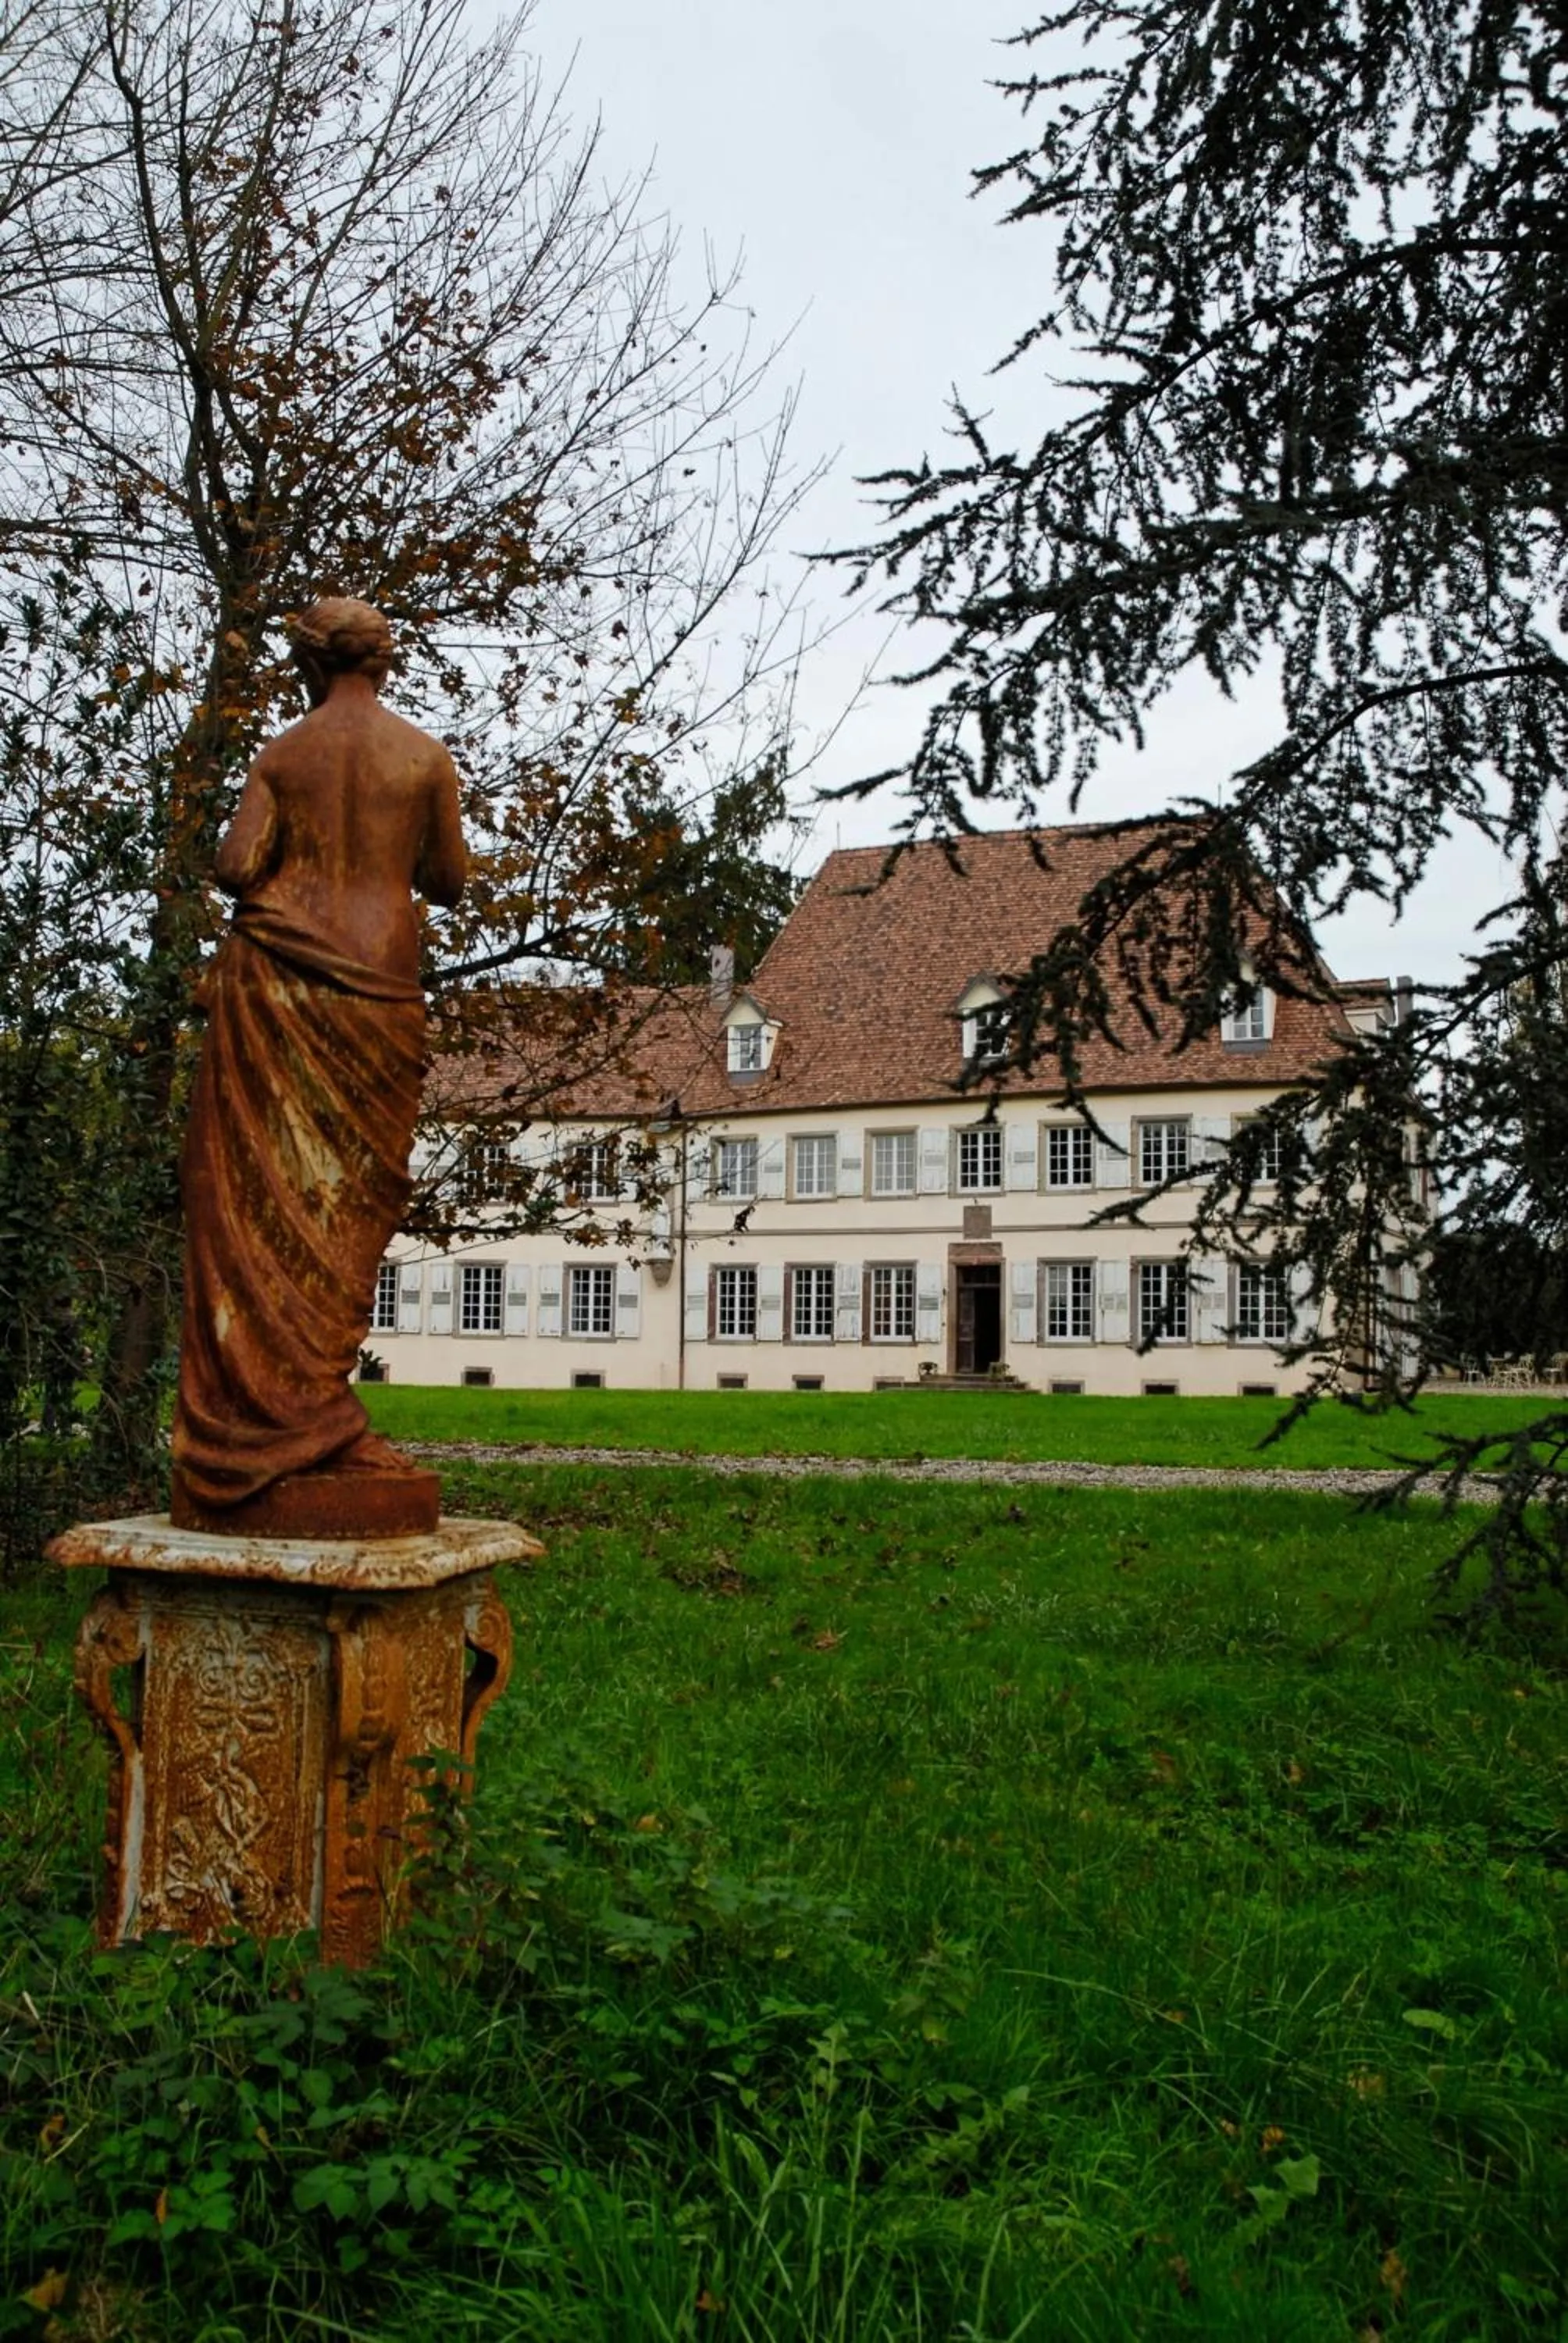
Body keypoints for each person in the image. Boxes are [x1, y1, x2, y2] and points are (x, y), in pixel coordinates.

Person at [169, 597, 465, 1532]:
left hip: (281, 980)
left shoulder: (282, 754)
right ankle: (314, 1411)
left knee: (261, 1193)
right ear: (383, 664)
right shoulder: (423, 757)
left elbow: (234, 866)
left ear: (308, 663)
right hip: (378, 981)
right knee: (351, 1201)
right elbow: (449, 880)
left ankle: (272, 1414)